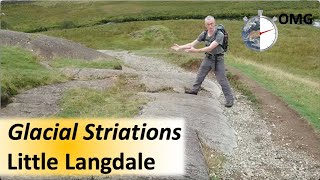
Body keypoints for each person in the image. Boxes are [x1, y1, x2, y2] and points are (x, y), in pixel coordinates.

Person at [171, 15, 234, 107]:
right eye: (208, 24)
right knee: (200, 74)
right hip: (208, 58)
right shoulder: (204, 34)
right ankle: (194, 91)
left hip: (218, 59)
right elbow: (192, 43)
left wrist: (195, 51)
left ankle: (230, 100)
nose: (210, 26)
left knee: (222, 80)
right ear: (205, 25)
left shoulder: (219, 34)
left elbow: (210, 47)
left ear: (214, 23)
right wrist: (180, 47)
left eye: (212, 24)